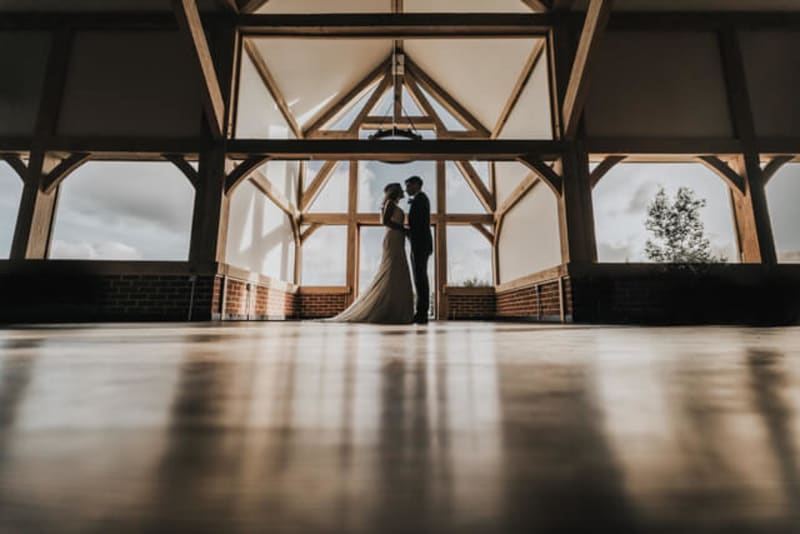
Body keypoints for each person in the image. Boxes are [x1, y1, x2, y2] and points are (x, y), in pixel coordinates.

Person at [329, 183, 414, 324]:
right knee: (393, 270)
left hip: (398, 239)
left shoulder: (392, 204)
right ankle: (389, 310)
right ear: (396, 192)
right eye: (400, 189)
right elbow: (385, 221)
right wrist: (403, 229)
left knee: (398, 272)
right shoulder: (390, 203)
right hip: (393, 238)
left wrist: (403, 230)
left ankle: (393, 309)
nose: (403, 190)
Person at [405, 175, 432, 324]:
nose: (407, 189)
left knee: (420, 278)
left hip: (420, 244)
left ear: (416, 185)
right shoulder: (420, 199)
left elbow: (418, 225)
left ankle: (422, 313)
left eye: (409, 185)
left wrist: (406, 231)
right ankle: (421, 312)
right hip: (419, 244)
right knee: (419, 278)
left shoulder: (421, 199)